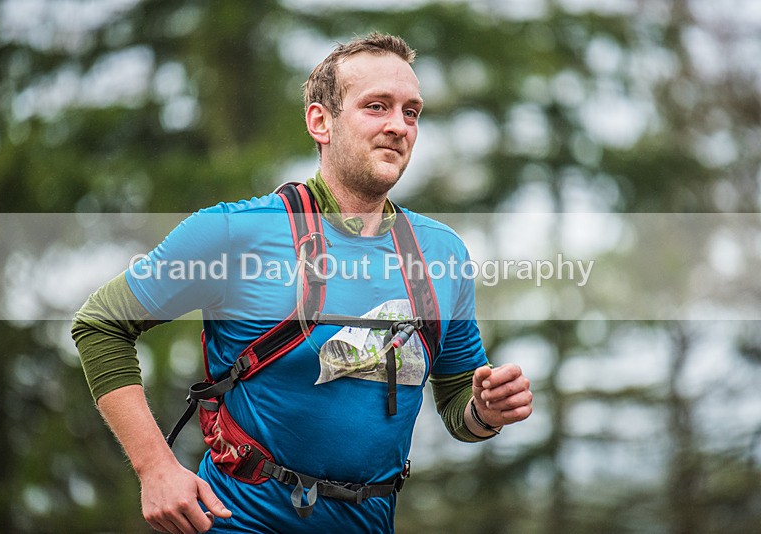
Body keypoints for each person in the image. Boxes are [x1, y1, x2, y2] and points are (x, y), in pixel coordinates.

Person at [72, 32, 532, 533]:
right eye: (376, 106)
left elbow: (458, 401)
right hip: (238, 522)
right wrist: (155, 468)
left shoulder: (442, 253)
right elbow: (101, 324)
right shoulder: (236, 233)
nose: (398, 126)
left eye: (411, 112)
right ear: (320, 122)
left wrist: (486, 411)